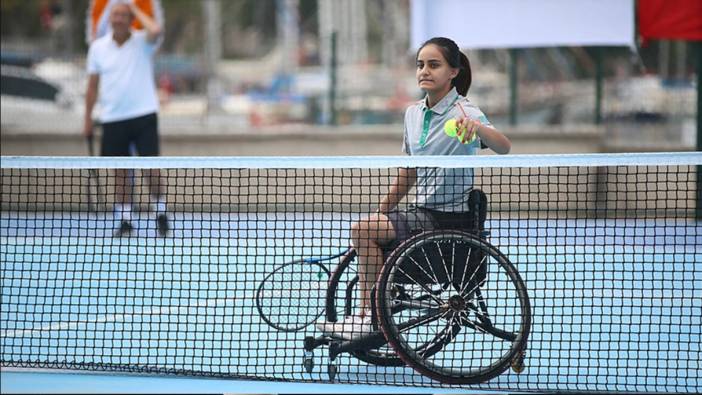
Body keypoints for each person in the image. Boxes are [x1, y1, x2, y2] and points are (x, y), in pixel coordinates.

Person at [316, 37, 511, 339]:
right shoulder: (412, 114)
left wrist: (479, 130)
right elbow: (408, 175)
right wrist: (381, 212)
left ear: (453, 72)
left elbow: (504, 147)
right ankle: (385, 296)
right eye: (421, 65)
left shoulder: (464, 112)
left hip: (450, 219)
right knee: (367, 229)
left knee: (363, 230)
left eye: (434, 65)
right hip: (420, 214)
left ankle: (367, 317)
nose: (424, 71)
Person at [83, 0, 169, 237]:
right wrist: (87, 119)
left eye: (123, 15)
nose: (118, 19)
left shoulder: (144, 42)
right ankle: (125, 220)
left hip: (144, 115)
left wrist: (135, 9)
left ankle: (161, 213)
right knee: (120, 172)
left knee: (151, 169)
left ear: (130, 19)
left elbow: (156, 30)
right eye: (115, 15)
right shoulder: (98, 48)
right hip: (113, 119)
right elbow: (92, 88)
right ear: (110, 19)